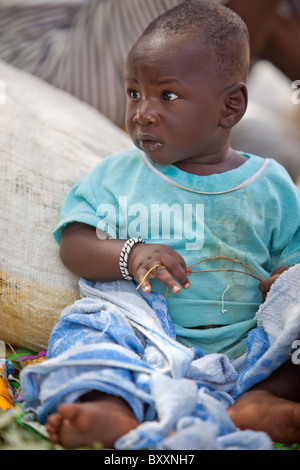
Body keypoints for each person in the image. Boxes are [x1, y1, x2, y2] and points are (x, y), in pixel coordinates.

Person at [20, 1, 300, 449]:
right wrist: (129, 254)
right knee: (87, 325)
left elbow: (295, 254)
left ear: (230, 107)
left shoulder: (271, 186)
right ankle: (111, 407)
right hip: (145, 338)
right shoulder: (117, 175)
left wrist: (285, 279)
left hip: (249, 350)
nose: (142, 113)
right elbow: (74, 242)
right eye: (134, 93)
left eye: (166, 96)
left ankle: (264, 399)